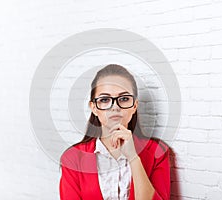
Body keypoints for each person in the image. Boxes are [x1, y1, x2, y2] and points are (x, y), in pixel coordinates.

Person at [59, 64, 170, 200]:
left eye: (124, 99)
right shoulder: (73, 158)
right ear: (94, 107)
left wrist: (133, 158)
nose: (115, 107)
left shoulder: (157, 152)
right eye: (105, 100)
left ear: (134, 106)